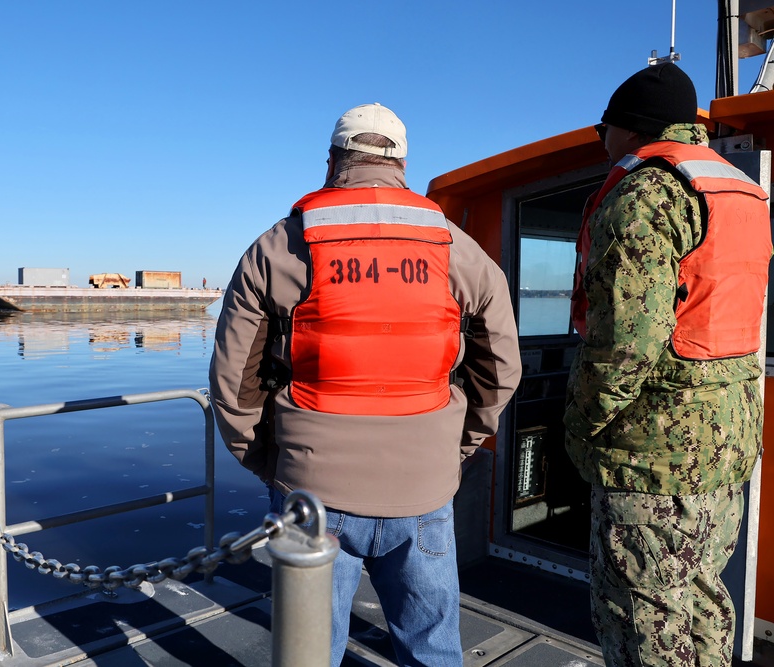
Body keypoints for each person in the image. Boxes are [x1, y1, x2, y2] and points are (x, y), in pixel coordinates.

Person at [209, 102, 522, 666]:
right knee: (431, 651)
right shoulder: (457, 248)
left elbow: (235, 383)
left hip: (312, 489)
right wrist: (456, 447)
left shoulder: (278, 246)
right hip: (424, 484)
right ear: (402, 163)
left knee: (308, 654)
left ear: (332, 160)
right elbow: (499, 368)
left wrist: (272, 462)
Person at [565, 63, 772, 666]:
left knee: (645, 624)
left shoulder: (646, 193)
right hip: (728, 445)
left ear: (629, 129)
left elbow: (624, 344)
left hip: (650, 457)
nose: (602, 144)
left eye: (604, 129)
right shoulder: (742, 191)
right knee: (704, 605)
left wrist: (580, 429)